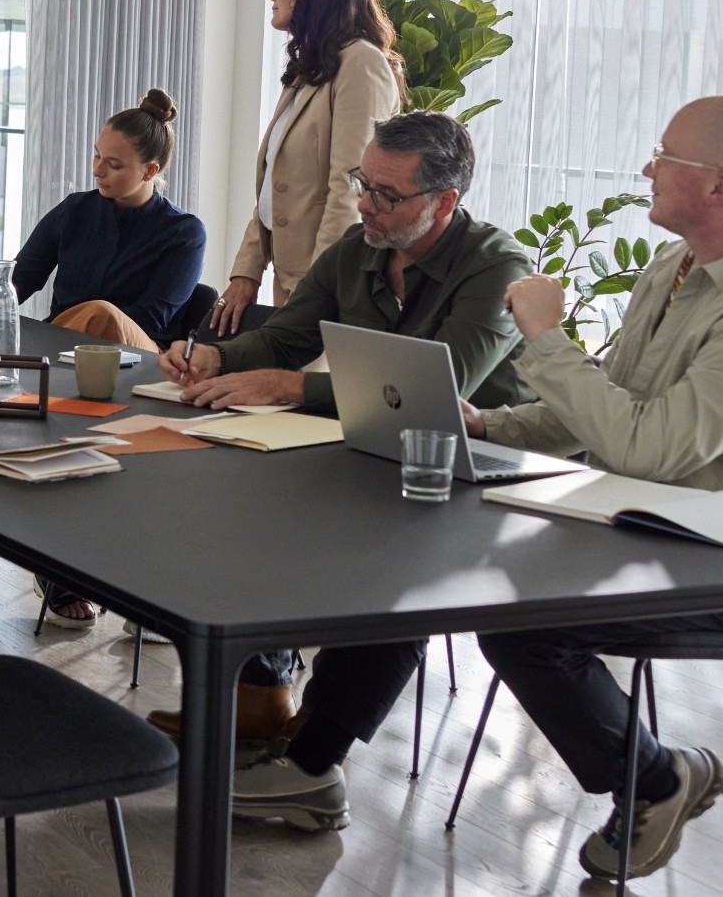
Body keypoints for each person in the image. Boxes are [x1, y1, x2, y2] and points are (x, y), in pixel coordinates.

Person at [234, 98, 723, 877]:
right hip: (653, 522)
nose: (647, 168)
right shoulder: (675, 268)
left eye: (665, 156)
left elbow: (648, 448)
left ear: (719, 185)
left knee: (524, 624)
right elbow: (605, 407)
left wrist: (546, 337)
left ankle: (658, 779)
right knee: (411, 552)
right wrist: (489, 426)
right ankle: (312, 763)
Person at [152, 111, 532, 745]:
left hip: (488, 471)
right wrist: (217, 356)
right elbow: (286, 337)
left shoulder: (497, 267)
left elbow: (434, 391)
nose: (365, 204)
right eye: (363, 182)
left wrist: (290, 386)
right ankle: (258, 695)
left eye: (387, 194)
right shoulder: (359, 249)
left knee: (395, 561)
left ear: (444, 202)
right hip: (376, 450)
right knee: (242, 497)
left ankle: (314, 756)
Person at [211, 0, 403, 334]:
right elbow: (275, 185)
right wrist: (247, 270)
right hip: (292, 282)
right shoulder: (311, 67)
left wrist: (318, 289)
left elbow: (351, 188)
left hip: (328, 288)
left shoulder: (361, 64)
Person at [14, 88, 206, 352]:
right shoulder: (74, 209)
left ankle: (43, 351)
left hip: (138, 355)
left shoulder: (184, 232)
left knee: (103, 314)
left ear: (150, 170)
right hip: (63, 342)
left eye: (114, 165)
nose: (97, 170)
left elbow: (150, 320)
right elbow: (21, 277)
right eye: (97, 155)